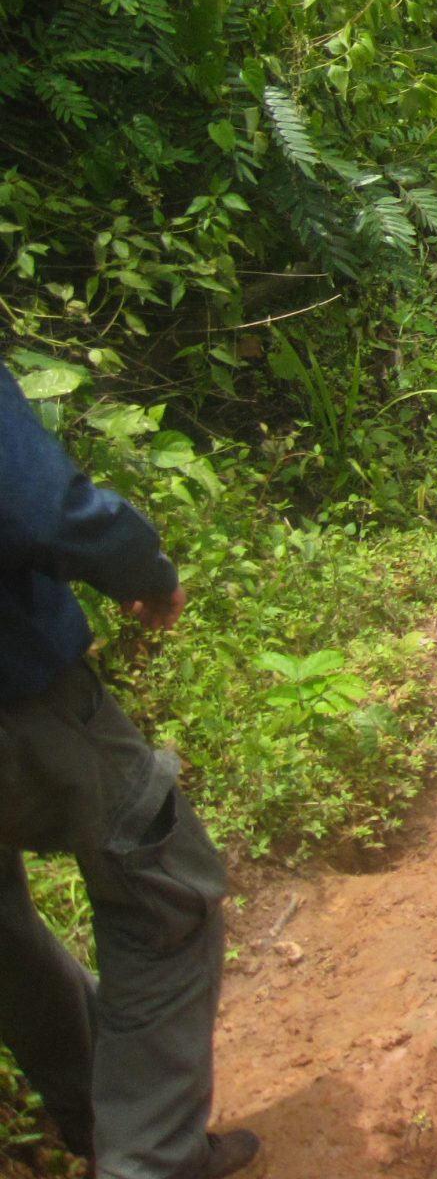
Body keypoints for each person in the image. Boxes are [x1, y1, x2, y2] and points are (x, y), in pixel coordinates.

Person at [0, 368, 259, 1179]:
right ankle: (149, 1159)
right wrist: (141, 569)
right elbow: (39, 505)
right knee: (165, 890)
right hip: (20, 699)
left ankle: (98, 1117)